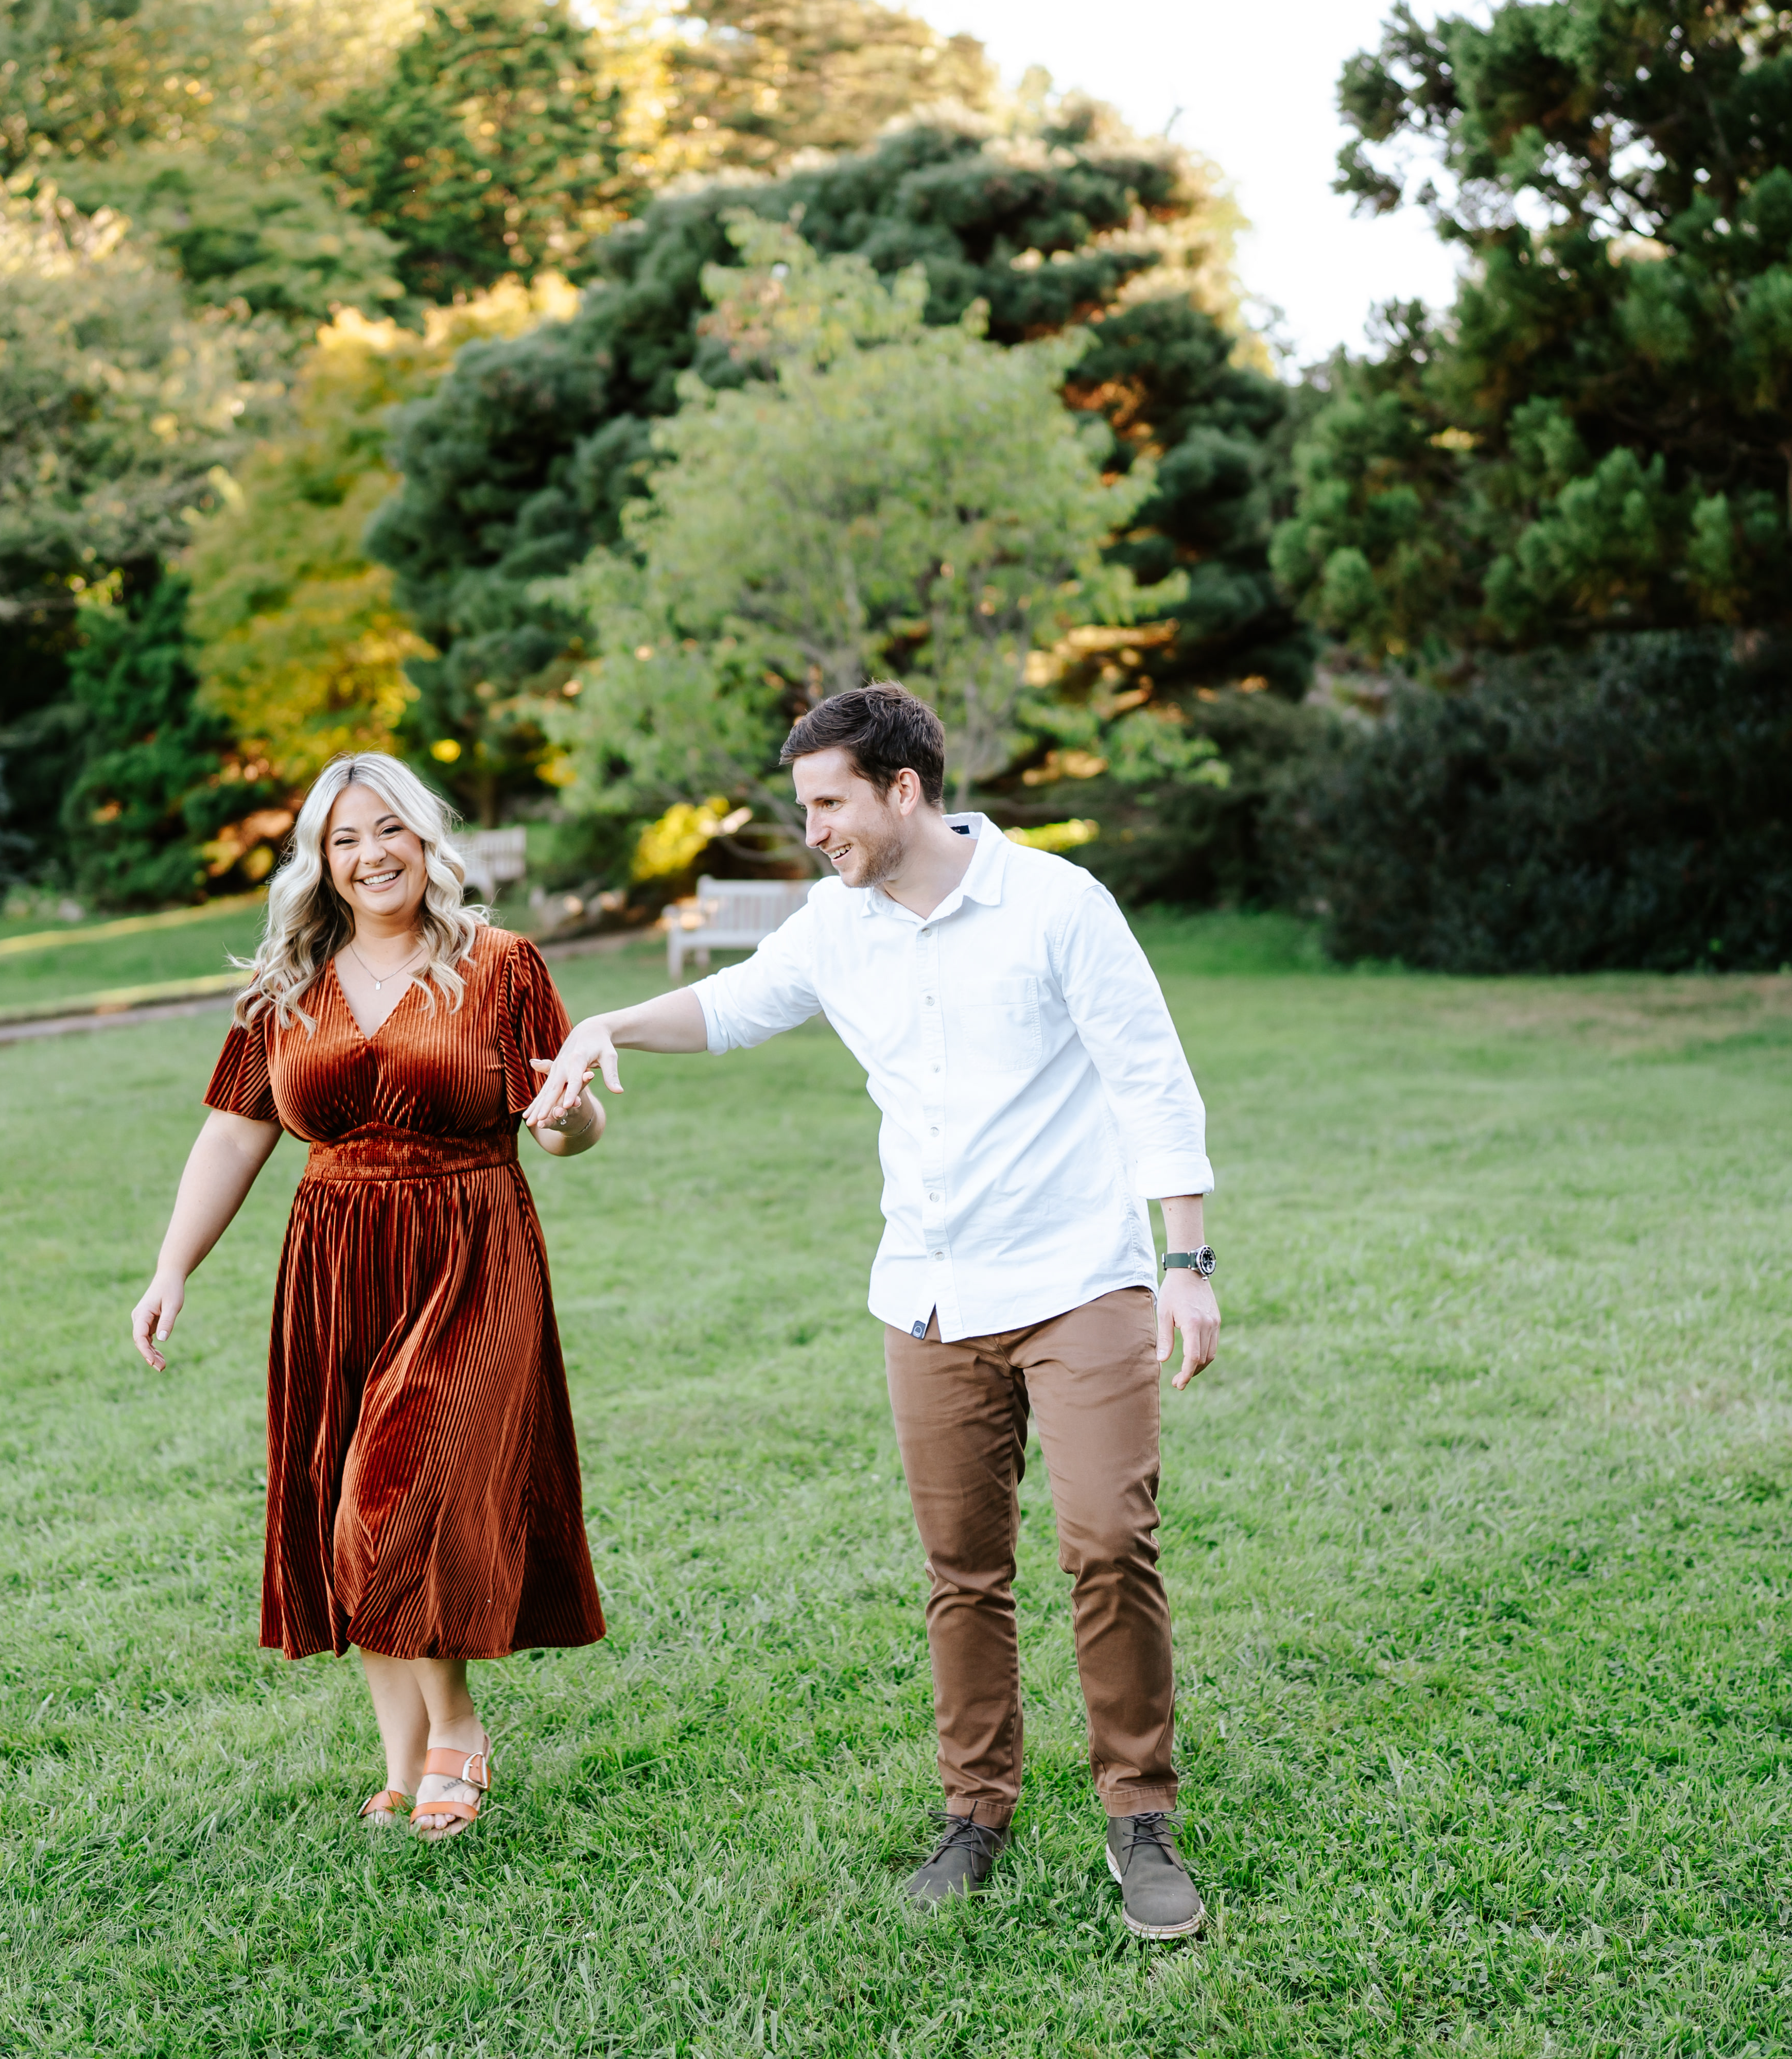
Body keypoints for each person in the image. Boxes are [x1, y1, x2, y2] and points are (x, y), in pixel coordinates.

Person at [524, 683, 1221, 1939]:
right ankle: (976, 1811)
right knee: (963, 1572)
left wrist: (1190, 1260)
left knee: (1108, 1538)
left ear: (905, 789)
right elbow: (733, 1004)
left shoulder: (1061, 904)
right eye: (804, 808)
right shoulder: (834, 923)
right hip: (928, 1294)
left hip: (1079, 1278)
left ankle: (1140, 1815)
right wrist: (603, 1023)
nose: (815, 831)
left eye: (830, 803)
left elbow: (1150, 1078)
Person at [130, 752, 611, 1841]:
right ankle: (403, 1758)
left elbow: (571, 1115)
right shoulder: (285, 985)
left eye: (387, 829)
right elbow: (235, 1129)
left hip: (469, 1251)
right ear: (322, 861)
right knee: (339, 1495)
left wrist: (564, 1120)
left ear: (426, 838)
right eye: (344, 839)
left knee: (388, 1496)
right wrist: (172, 1266)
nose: (370, 854)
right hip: (333, 1257)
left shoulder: (502, 964)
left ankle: (459, 1734)